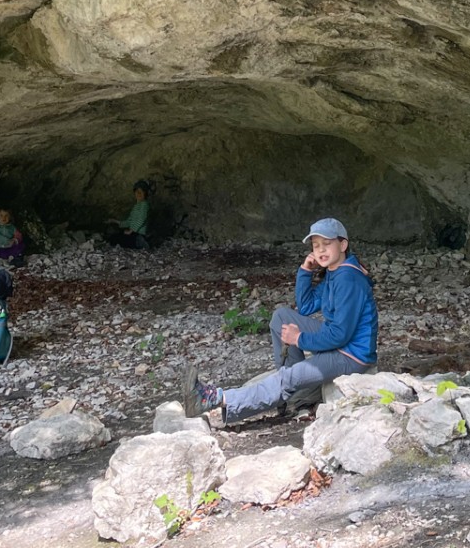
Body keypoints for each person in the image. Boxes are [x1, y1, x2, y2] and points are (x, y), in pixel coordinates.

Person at [181, 217, 378, 423]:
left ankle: (214, 399)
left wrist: (299, 339)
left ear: (343, 244)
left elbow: (339, 335)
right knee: (281, 317)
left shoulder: (348, 278)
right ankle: (294, 392)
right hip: (340, 344)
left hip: (351, 356)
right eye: (315, 245)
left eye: (327, 244)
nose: (320, 250)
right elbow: (306, 306)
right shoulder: (335, 271)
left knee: (288, 377)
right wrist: (305, 271)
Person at [108, 178, 152, 249]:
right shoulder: (136, 206)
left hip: (138, 234)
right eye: (137, 191)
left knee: (117, 239)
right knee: (114, 237)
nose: (138, 194)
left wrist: (130, 231)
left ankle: (140, 242)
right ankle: (139, 242)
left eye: (141, 192)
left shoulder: (144, 205)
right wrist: (116, 222)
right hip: (134, 233)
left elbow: (141, 220)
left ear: (145, 193)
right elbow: (129, 221)